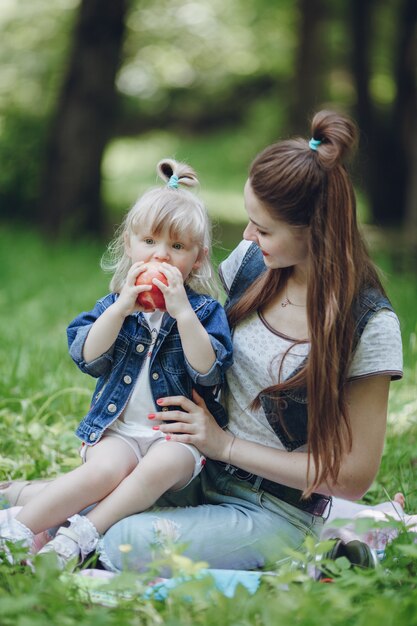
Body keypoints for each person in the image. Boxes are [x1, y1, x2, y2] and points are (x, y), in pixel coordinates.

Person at [1, 110, 404, 575]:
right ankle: (22, 503)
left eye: (264, 228)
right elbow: (186, 338)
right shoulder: (255, 266)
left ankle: (329, 551)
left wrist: (224, 444)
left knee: (122, 541)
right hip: (195, 469)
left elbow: (352, 477)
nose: (249, 237)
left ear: (317, 231)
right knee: (104, 482)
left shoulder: (368, 324)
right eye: (251, 221)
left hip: (270, 507)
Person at [0, 158, 233, 568]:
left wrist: (182, 313)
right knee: (104, 470)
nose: (161, 256)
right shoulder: (116, 305)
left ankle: (80, 535)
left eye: (177, 247)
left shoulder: (204, 312)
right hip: (119, 431)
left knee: (162, 463)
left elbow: (209, 369)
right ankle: (16, 531)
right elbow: (86, 356)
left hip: (176, 440)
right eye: (149, 242)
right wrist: (122, 307)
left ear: (197, 259)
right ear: (129, 244)